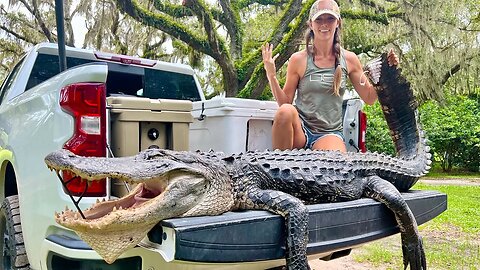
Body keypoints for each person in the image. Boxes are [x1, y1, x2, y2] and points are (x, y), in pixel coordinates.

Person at [262, 0, 398, 152]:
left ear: (338, 22)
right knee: (285, 111)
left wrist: (388, 71)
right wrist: (271, 75)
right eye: (319, 19)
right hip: (300, 130)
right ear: (310, 24)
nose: (324, 24)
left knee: (338, 169)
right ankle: (280, 169)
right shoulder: (298, 59)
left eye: (330, 19)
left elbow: (370, 98)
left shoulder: (350, 59)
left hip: (329, 133)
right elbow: (284, 102)